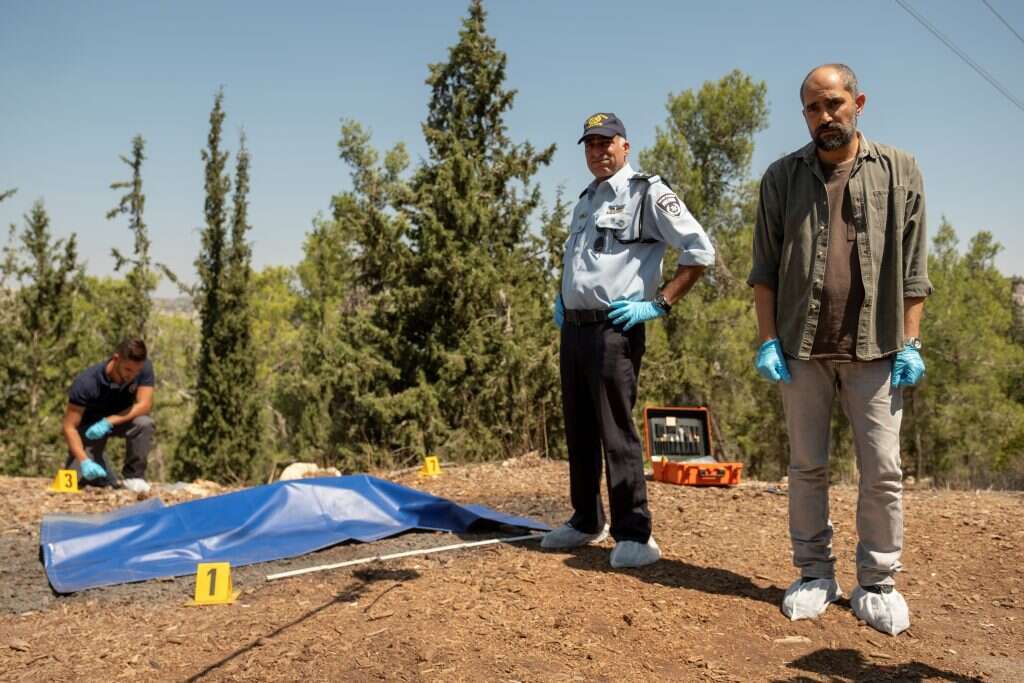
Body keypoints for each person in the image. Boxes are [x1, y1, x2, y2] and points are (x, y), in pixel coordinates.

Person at [748, 64, 931, 635]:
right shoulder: (781, 178)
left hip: (877, 350)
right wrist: (767, 340)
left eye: (833, 104)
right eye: (812, 108)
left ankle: (877, 582)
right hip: (802, 350)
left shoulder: (900, 170)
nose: (824, 117)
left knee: (882, 471)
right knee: (807, 468)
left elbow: (914, 268)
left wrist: (911, 341)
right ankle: (813, 574)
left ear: (858, 102)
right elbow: (765, 269)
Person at [542, 112, 715, 568]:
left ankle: (635, 533)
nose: (598, 151)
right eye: (590, 145)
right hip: (574, 328)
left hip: (615, 327)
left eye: (606, 143)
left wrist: (659, 304)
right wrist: (563, 299)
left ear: (625, 146)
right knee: (578, 428)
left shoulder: (646, 194)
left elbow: (699, 251)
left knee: (615, 430)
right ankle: (585, 519)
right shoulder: (587, 199)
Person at [62, 338, 156, 493]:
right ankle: (98, 464)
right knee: (78, 482)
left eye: (137, 372)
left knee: (144, 423)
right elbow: (69, 427)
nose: (132, 376)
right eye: (128, 370)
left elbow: (144, 405)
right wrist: (84, 461)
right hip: (90, 430)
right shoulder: (86, 383)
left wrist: (109, 421)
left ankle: (134, 476)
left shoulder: (144, 367)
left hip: (121, 420)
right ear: (116, 358)